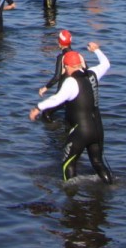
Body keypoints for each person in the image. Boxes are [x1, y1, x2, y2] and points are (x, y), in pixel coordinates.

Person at [30, 41, 113, 183]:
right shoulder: (93, 74)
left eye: (65, 68)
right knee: (98, 163)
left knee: (68, 164)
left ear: (67, 66)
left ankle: (70, 197)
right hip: (98, 128)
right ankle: (110, 187)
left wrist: (38, 108)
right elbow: (106, 64)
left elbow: (57, 99)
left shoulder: (71, 82)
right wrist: (97, 50)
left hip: (82, 131)